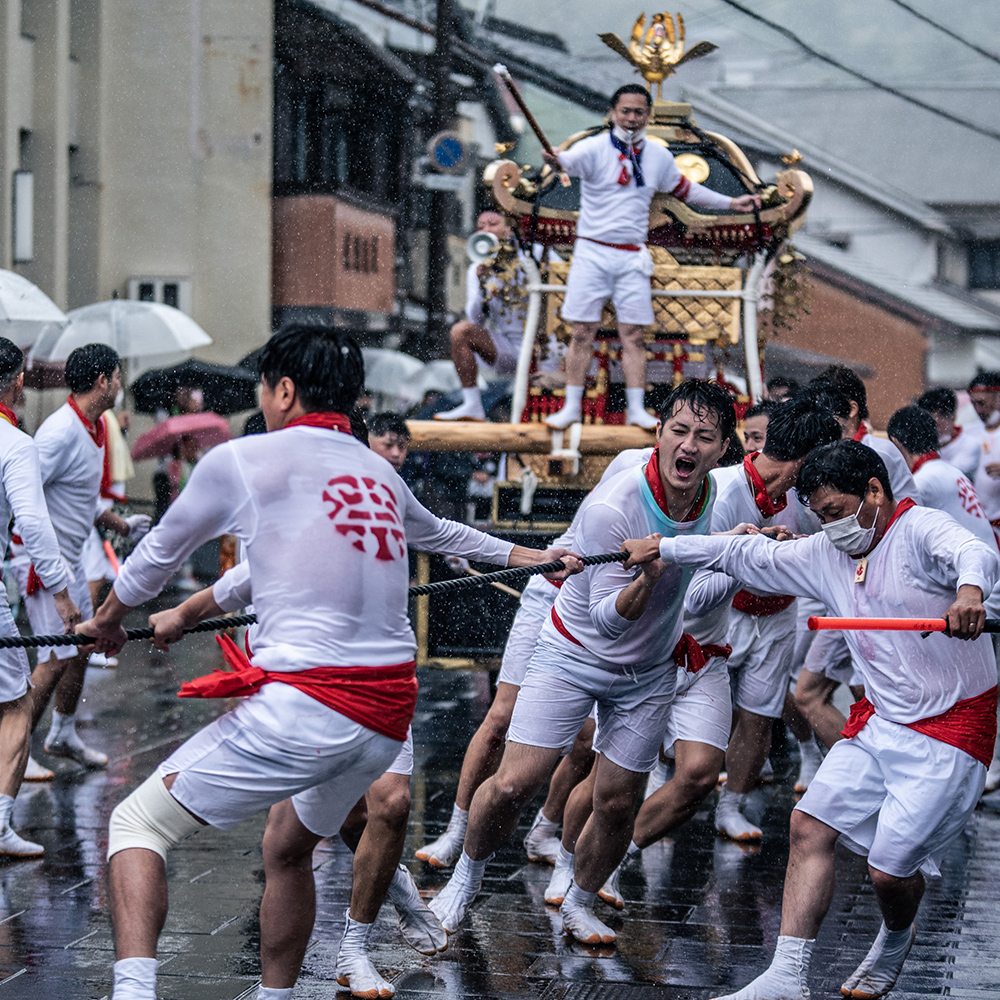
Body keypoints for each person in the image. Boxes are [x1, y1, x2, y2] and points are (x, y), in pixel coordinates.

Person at [76, 326, 580, 1000]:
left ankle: (132, 995)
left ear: (283, 390)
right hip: (383, 720)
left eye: (265, 387)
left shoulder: (245, 459)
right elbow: (442, 534)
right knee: (287, 845)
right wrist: (533, 555)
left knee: (135, 824)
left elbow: (152, 558)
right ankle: (277, 996)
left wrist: (107, 621)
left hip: (309, 707)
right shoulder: (377, 469)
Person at [624, 440, 998, 1000]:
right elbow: (747, 559)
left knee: (889, 873)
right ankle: (787, 977)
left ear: (874, 492)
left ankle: (896, 937)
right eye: (819, 517)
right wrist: (663, 549)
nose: (830, 527)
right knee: (807, 826)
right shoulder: (826, 550)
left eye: (836, 512)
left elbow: (975, 553)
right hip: (881, 720)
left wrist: (969, 593)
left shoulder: (921, 529)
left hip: (953, 726)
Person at [429, 380, 735, 946]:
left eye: (705, 437)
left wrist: (739, 542)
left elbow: (712, 558)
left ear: (721, 450)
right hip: (573, 652)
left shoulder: (714, 494)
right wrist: (650, 572)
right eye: (679, 431)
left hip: (649, 670)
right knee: (515, 784)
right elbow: (607, 621)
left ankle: (580, 900)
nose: (689, 446)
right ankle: (466, 878)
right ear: (659, 435)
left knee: (618, 800)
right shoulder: (611, 507)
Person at [415, 445, 652, 873]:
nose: (687, 446)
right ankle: (457, 827)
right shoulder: (632, 463)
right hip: (557, 591)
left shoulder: (703, 496)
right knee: (501, 718)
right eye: (678, 431)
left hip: (608, 612)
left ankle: (544, 829)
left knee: (586, 740)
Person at [542, 85, 761, 430]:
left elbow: (688, 190)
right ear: (613, 113)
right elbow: (564, 162)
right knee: (582, 331)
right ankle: (571, 405)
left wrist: (731, 203)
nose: (631, 118)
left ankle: (635, 408)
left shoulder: (658, 157)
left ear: (648, 116)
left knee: (632, 334)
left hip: (631, 255)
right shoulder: (594, 148)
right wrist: (556, 160)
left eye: (638, 112)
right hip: (592, 252)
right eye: (625, 111)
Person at [690, 398, 841, 841]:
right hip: (722, 618)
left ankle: (730, 808)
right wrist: (753, 556)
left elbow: (825, 549)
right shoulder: (718, 489)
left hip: (780, 616)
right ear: (805, 460)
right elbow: (694, 592)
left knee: (758, 717)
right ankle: (660, 787)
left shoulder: (806, 497)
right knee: (681, 707)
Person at [10, 345, 149, 779]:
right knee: (53, 658)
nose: (121, 384)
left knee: (84, 646)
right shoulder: (59, 431)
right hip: (40, 565)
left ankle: (64, 732)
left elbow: (80, 499)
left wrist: (121, 526)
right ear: (103, 382)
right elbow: (26, 499)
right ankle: (15, 752)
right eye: (118, 375)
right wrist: (43, 569)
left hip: (71, 560)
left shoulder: (96, 427)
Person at [888, 404, 1000, 796]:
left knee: (961, 677)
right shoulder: (945, 471)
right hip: (985, 581)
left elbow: (887, 523)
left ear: (898, 446)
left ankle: (967, 759)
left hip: (984, 591)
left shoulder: (926, 480)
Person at [0, 340, 80, 852]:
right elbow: (33, 522)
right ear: (18, 380)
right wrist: (63, 597)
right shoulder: (14, 443)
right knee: (15, 703)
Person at [435, 211, 560, 422]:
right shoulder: (477, 267)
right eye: (480, 226)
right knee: (460, 331)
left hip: (547, 348)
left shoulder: (535, 253)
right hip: (511, 348)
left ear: (509, 228)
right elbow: (475, 320)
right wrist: (482, 284)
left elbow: (562, 281)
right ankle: (473, 404)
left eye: (492, 224)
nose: (485, 230)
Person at [916, 386, 982, 479]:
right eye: (930, 425)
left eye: (938, 424)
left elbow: (946, 476)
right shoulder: (920, 445)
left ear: (953, 417)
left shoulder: (971, 445)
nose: (934, 430)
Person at [968, 371, 1000, 540]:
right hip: (980, 528)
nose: (978, 410)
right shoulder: (968, 433)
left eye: (982, 403)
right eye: (974, 404)